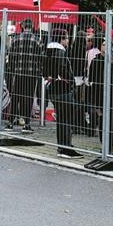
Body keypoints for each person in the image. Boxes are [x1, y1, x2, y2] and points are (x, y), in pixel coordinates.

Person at [45, 29, 79, 157]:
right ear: (62, 39)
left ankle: (62, 146)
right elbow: (63, 70)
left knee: (61, 119)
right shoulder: (60, 52)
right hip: (63, 89)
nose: (68, 40)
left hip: (54, 89)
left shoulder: (48, 51)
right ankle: (66, 147)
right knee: (66, 119)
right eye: (66, 38)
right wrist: (70, 82)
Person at [7, 19, 43, 132]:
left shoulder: (15, 39)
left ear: (22, 26)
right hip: (32, 75)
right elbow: (41, 59)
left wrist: (12, 70)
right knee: (28, 98)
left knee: (15, 97)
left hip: (18, 73)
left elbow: (11, 57)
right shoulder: (38, 40)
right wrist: (39, 71)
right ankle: (26, 124)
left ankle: (10, 122)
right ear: (32, 26)